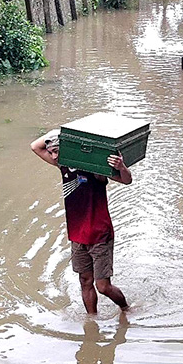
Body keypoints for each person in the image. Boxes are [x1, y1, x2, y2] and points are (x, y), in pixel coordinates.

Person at [31, 130, 132, 314]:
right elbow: (35, 147)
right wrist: (61, 132)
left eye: (56, 151)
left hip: (99, 234)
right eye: (51, 151)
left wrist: (122, 166)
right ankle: (91, 320)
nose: (53, 156)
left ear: (69, 150)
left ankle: (126, 308)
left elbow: (126, 180)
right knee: (85, 281)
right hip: (77, 235)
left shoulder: (94, 167)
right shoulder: (63, 166)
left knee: (103, 286)